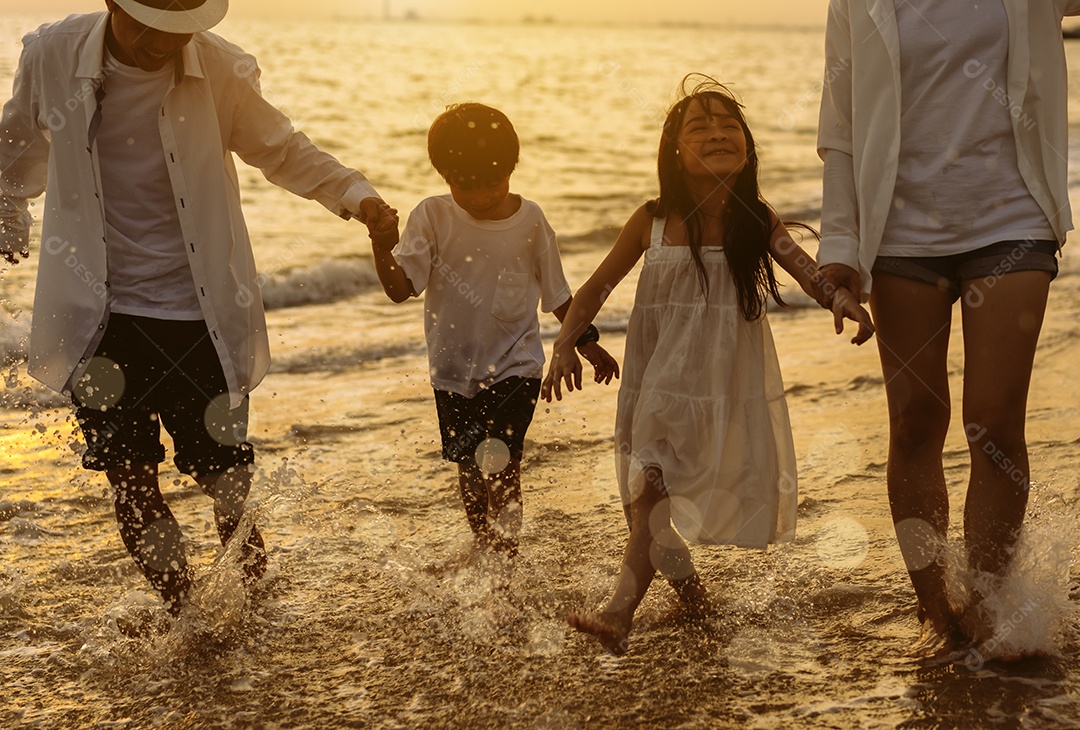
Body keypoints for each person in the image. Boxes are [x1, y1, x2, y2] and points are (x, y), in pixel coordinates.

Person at [0, 0, 397, 615]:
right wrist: (9, 215)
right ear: (111, 3)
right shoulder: (51, 55)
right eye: (145, 25)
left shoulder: (220, 71)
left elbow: (283, 150)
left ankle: (255, 609)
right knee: (132, 482)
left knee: (227, 484)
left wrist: (356, 195)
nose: (161, 43)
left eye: (175, 29)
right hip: (98, 322)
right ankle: (187, 617)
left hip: (199, 317)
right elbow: (16, 145)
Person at [542, 76, 874, 654]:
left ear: (746, 145)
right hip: (656, 376)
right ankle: (693, 600)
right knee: (642, 502)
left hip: (718, 385)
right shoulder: (651, 219)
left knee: (648, 495)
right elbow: (597, 286)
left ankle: (619, 612)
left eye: (729, 125)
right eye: (700, 126)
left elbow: (806, 270)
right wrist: (565, 342)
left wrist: (839, 298)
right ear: (675, 149)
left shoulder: (756, 219)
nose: (718, 132)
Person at [817, 0, 1079, 653]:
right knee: (915, 423)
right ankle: (939, 615)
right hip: (899, 232)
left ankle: (987, 605)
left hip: (1013, 219)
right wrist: (841, 250)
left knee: (993, 422)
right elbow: (842, 128)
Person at [370, 102, 618, 561]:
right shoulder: (431, 217)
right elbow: (401, 288)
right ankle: (484, 546)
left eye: (492, 182)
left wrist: (588, 342)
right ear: (444, 175)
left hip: (515, 367)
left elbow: (560, 295)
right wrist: (381, 245)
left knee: (500, 463)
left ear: (512, 167)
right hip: (451, 374)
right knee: (468, 468)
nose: (481, 195)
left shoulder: (531, 222)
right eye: (466, 185)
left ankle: (506, 562)